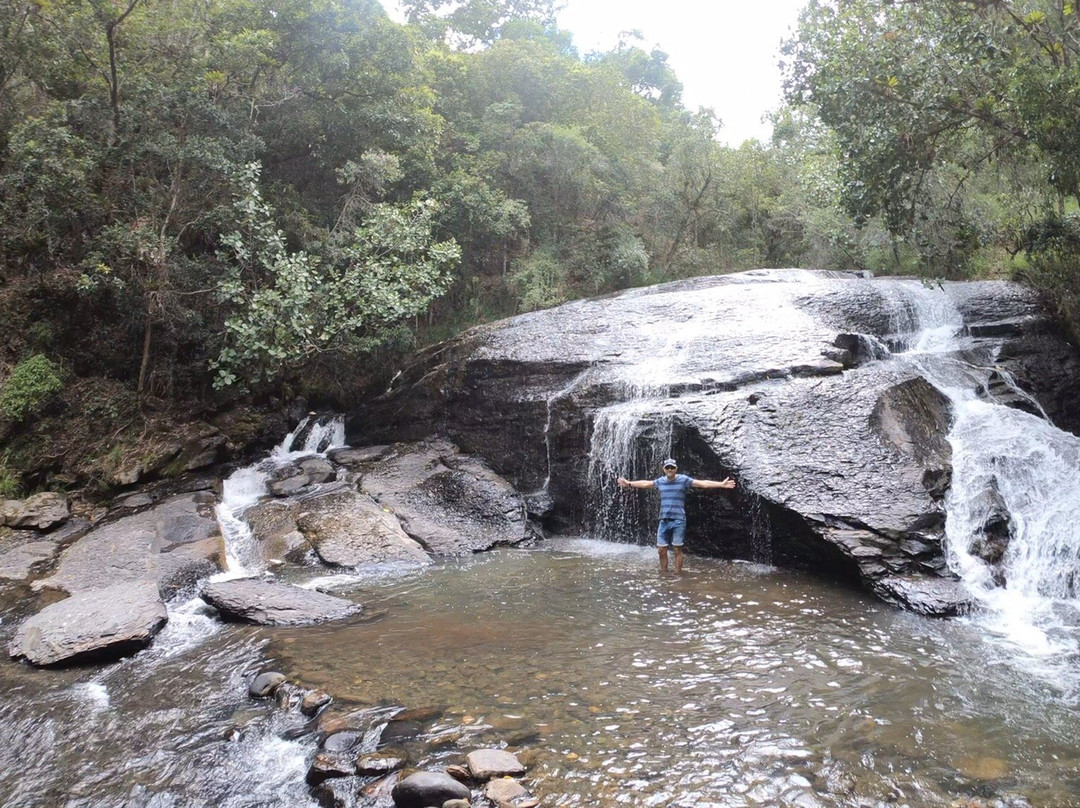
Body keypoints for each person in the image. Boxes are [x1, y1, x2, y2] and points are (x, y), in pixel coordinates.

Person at [617, 458, 736, 573]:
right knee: (661, 550)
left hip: (678, 520)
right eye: (667, 467)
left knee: (677, 549)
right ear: (664, 469)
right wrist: (629, 483)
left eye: (672, 467)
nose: (669, 469)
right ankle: (664, 573)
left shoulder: (684, 480)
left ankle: (677, 574)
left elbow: (702, 483)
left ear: (676, 469)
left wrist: (721, 484)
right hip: (663, 520)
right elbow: (645, 484)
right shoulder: (660, 481)